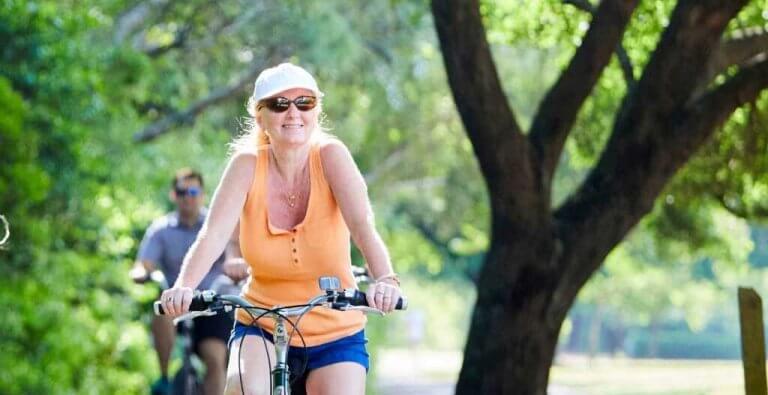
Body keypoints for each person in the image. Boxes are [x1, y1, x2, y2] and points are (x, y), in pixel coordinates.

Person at [159, 62, 405, 395]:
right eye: (279, 104)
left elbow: (363, 227)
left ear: (316, 111)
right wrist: (183, 287)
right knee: (243, 389)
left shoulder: (332, 157)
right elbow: (213, 235)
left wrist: (386, 280)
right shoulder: (246, 166)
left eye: (305, 102)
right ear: (260, 117)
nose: (293, 113)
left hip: (335, 330)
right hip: (261, 324)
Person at [131, 169, 248, 395]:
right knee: (160, 311)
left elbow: (235, 254)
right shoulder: (161, 230)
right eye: (182, 192)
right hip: (177, 302)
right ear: (173, 195)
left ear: (203, 195)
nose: (188, 197)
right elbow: (144, 264)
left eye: (193, 191)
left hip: (212, 304)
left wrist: (236, 266)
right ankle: (164, 376)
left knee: (215, 360)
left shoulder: (215, 226)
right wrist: (140, 273)